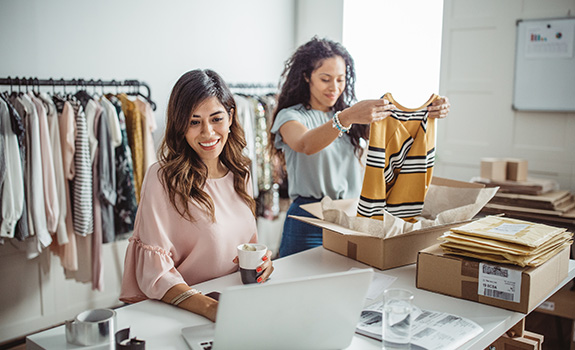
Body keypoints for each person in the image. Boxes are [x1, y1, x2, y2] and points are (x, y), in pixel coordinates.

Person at [269, 37, 450, 257]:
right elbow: (305, 144)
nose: (334, 87)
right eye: (325, 79)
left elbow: (396, 131)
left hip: (351, 216)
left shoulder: (351, 117)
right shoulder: (291, 116)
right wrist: (346, 118)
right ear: (307, 77)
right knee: (298, 285)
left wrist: (429, 111)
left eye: (340, 79)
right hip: (309, 220)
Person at [120, 69, 274, 322]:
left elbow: (245, 247)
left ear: (231, 117)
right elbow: (155, 274)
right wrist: (211, 309)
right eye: (194, 121)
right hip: (185, 312)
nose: (207, 133)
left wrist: (263, 264)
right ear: (180, 126)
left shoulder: (241, 172)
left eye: (216, 119)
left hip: (237, 303)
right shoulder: (162, 179)